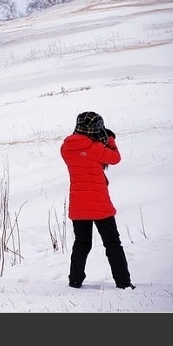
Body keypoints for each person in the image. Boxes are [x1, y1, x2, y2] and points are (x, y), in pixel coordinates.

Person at [60, 111, 135, 290]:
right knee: (112, 243)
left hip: (78, 205)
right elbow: (115, 158)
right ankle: (123, 282)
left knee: (82, 243)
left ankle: (75, 281)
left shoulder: (66, 148)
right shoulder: (96, 148)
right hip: (99, 204)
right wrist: (109, 139)